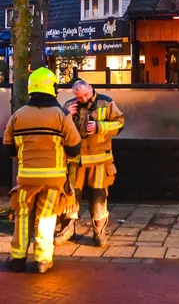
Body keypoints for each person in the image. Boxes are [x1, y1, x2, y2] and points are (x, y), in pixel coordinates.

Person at [3, 67, 81, 274]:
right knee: (46, 217)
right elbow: (74, 146)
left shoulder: (17, 115)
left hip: (26, 177)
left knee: (22, 216)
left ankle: (18, 258)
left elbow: (8, 145)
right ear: (52, 89)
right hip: (53, 178)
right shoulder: (61, 115)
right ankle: (43, 260)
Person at [55, 79, 124, 247]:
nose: (83, 99)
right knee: (70, 195)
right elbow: (58, 130)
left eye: (85, 95)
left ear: (91, 88)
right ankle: (68, 229)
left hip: (99, 160)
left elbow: (120, 123)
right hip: (75, 161)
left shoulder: (106, 102)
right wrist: (66, 115)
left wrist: (99, 126)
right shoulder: (69, 105)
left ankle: (99, 232)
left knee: (98, 195)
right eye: (79, 97)